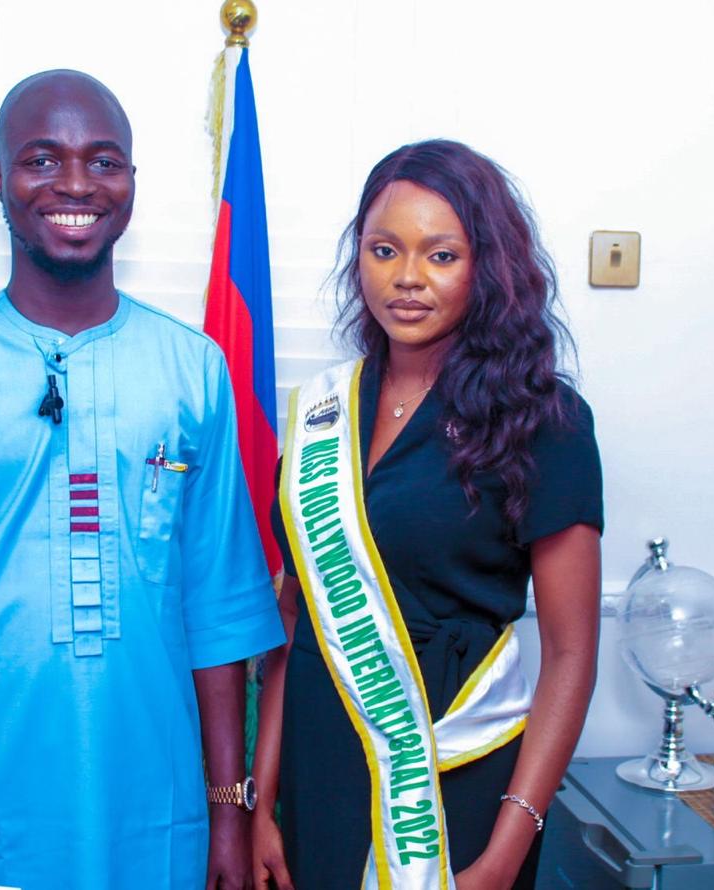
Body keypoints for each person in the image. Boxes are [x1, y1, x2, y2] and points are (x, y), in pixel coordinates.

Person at [0, 69, 284, 890]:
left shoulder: (193, 370)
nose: (75, 184)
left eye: (104, 162)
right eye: (43, 160)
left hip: (163, 825)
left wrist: (228, 818)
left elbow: (219, 619)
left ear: (131, 183)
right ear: (0, 179)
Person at [252, 140, 602, 890]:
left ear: (488, 267)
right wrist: (261, 806)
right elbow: (293, 624)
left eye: (441, 256)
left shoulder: (546, 421)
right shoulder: (323, 413)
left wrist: (508, 849)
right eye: (384, 250)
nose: (407, 279)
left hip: (456, 775)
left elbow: (571, 658)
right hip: (315, 771)